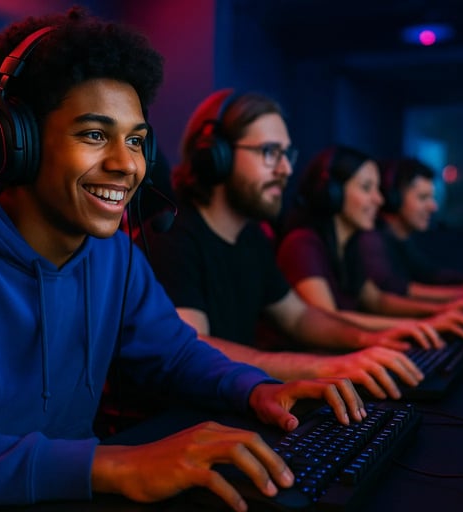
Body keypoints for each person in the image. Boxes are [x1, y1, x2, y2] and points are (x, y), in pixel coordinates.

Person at [0, 10, 366, 512]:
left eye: (135, 141)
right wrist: (108, 464)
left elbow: (174, 355)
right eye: (93, 135)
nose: (125, 165)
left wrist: (255, 388)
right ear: (15, 142)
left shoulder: (112, 255)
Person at [138, 88, 431, 404]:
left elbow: (298, 317)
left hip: (230, 406)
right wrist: (325, 367)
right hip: (179, 421)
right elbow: (194, 346)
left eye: (286, 154)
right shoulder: (171, 235)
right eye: (269, 152)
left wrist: (371, 340)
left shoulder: (252, 237)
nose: (286, 170)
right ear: (215, 156)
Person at [276, 145, 463, 339]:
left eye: (378, 189)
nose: (379, 200)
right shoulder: (302, 245)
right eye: (367, 188)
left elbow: (377, 300)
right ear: (332, 193)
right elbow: (329, 322)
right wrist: (422, 324)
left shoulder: (349, 245)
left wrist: (439, 315)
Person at [359, 156, 463, 302]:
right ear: (394, 198)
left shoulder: (401, 238)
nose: (433, 207)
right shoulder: (371, 239)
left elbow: (429, 274)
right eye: (423, 198)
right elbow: (394, 289)